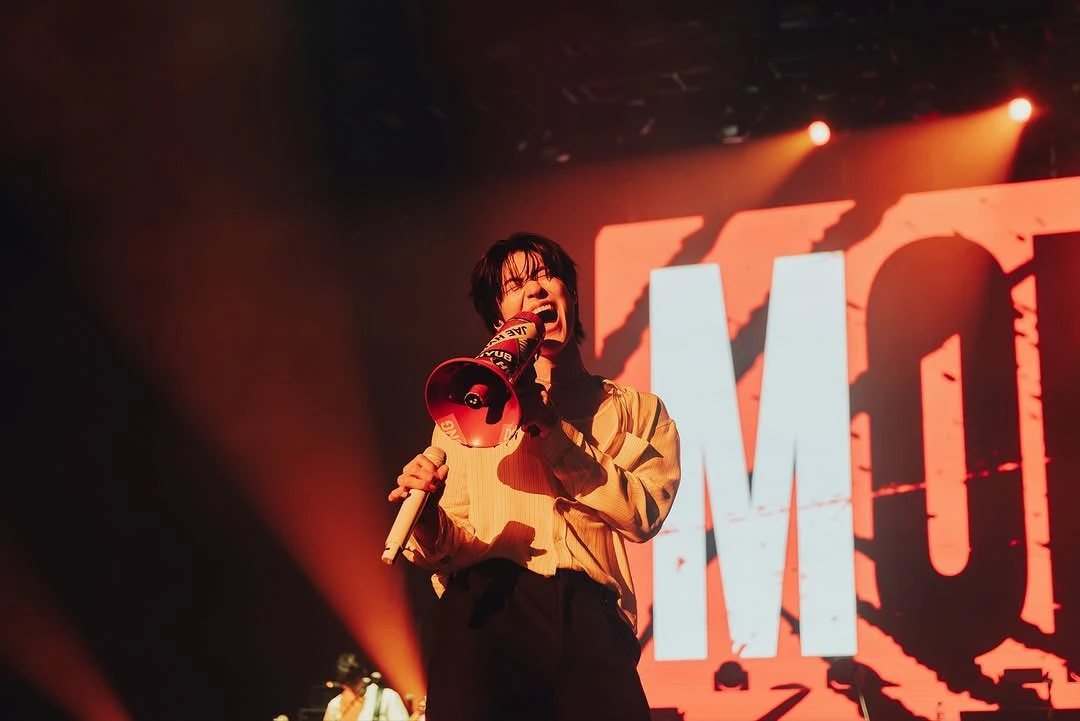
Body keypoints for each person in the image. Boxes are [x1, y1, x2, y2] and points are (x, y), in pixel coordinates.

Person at [389, 233, 681, 721]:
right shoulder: (464, 412)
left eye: (548, 277)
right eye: (516, 286)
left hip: (589, 616)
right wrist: (426, 518)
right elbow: (446, 546)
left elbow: (643, 515)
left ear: (571, 294)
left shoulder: (636, 410)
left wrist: (551, 428)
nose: (537, 290)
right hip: (487, 608)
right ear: (499, 320)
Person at [322, 653, 410, 721]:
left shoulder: (387, 698)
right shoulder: (334, 705)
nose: (353, 689)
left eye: (354, 682)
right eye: (347, 684)